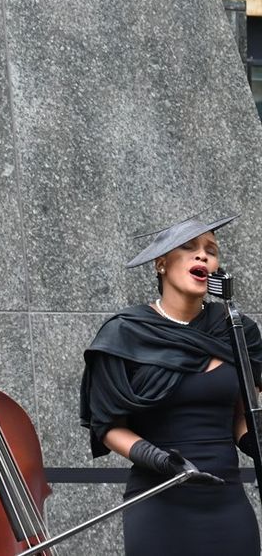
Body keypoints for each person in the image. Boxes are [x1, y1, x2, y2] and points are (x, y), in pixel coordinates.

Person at [80, 213, 262, 555]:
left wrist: (254, 440)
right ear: (161, 264)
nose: (203, 255)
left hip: (227, 507)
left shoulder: (237, 331)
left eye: (211, 250)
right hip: (159, 505)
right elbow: (107, 426)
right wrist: (160, 459)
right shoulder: (125, 333)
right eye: (190, 248)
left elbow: (242, 416)